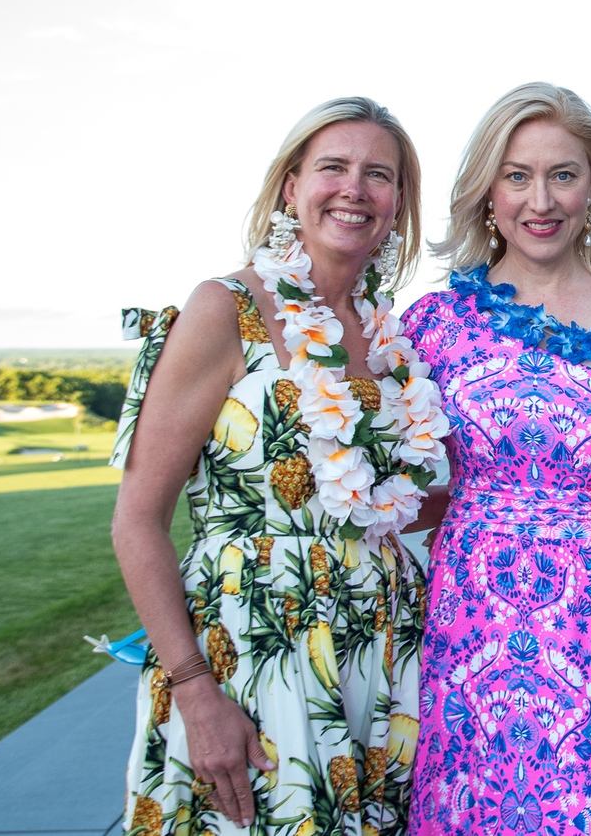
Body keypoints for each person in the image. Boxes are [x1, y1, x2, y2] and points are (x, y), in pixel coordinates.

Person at [111, 98, 445, 836]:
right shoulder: (224, 309)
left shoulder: (391, 334)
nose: (354, 189)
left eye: (379, 175)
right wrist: (195, 690)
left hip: (380, 650)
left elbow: (381, 504)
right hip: (253, 651)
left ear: (398, 205)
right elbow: (136, 520)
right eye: (333, 167)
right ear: (291, 186)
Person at [399, 83, 591, 836]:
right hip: (473, 630)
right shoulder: (432, 324)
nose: (541, 199)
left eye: (564, 174)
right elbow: (400, 487)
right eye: (517, 175)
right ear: (487, 190)